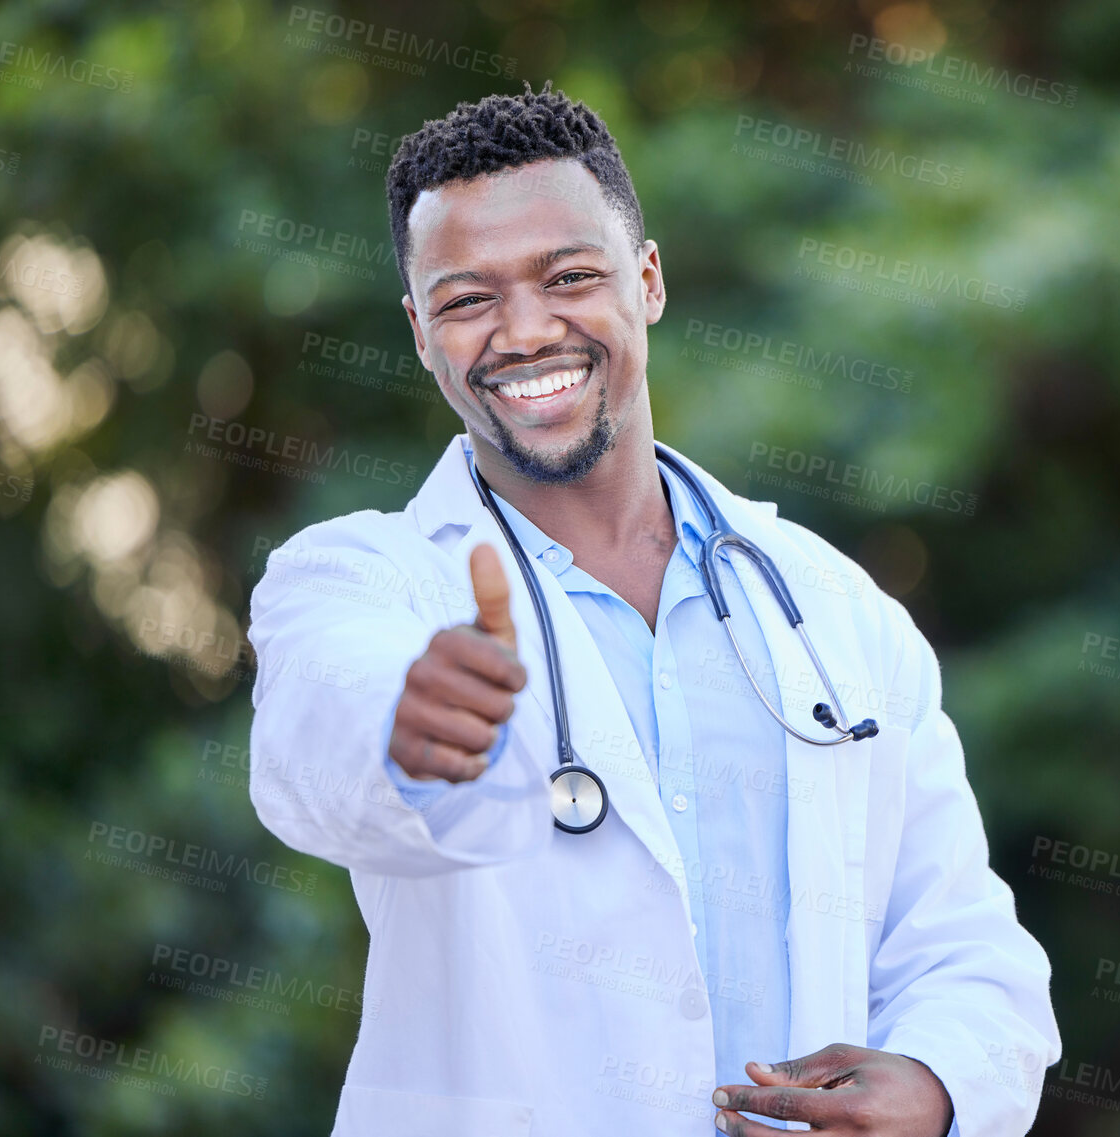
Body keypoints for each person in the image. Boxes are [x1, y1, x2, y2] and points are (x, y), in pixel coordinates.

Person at [247, 84, 1059, 1136]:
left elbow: (962, 946)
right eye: (466, 299)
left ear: (648, 281)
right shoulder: (364, 579)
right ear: (419, 332)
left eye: (569, 277)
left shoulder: (832, 608)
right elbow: (319, 730)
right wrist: (406, 724)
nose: (525, 331)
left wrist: (937, 1086)